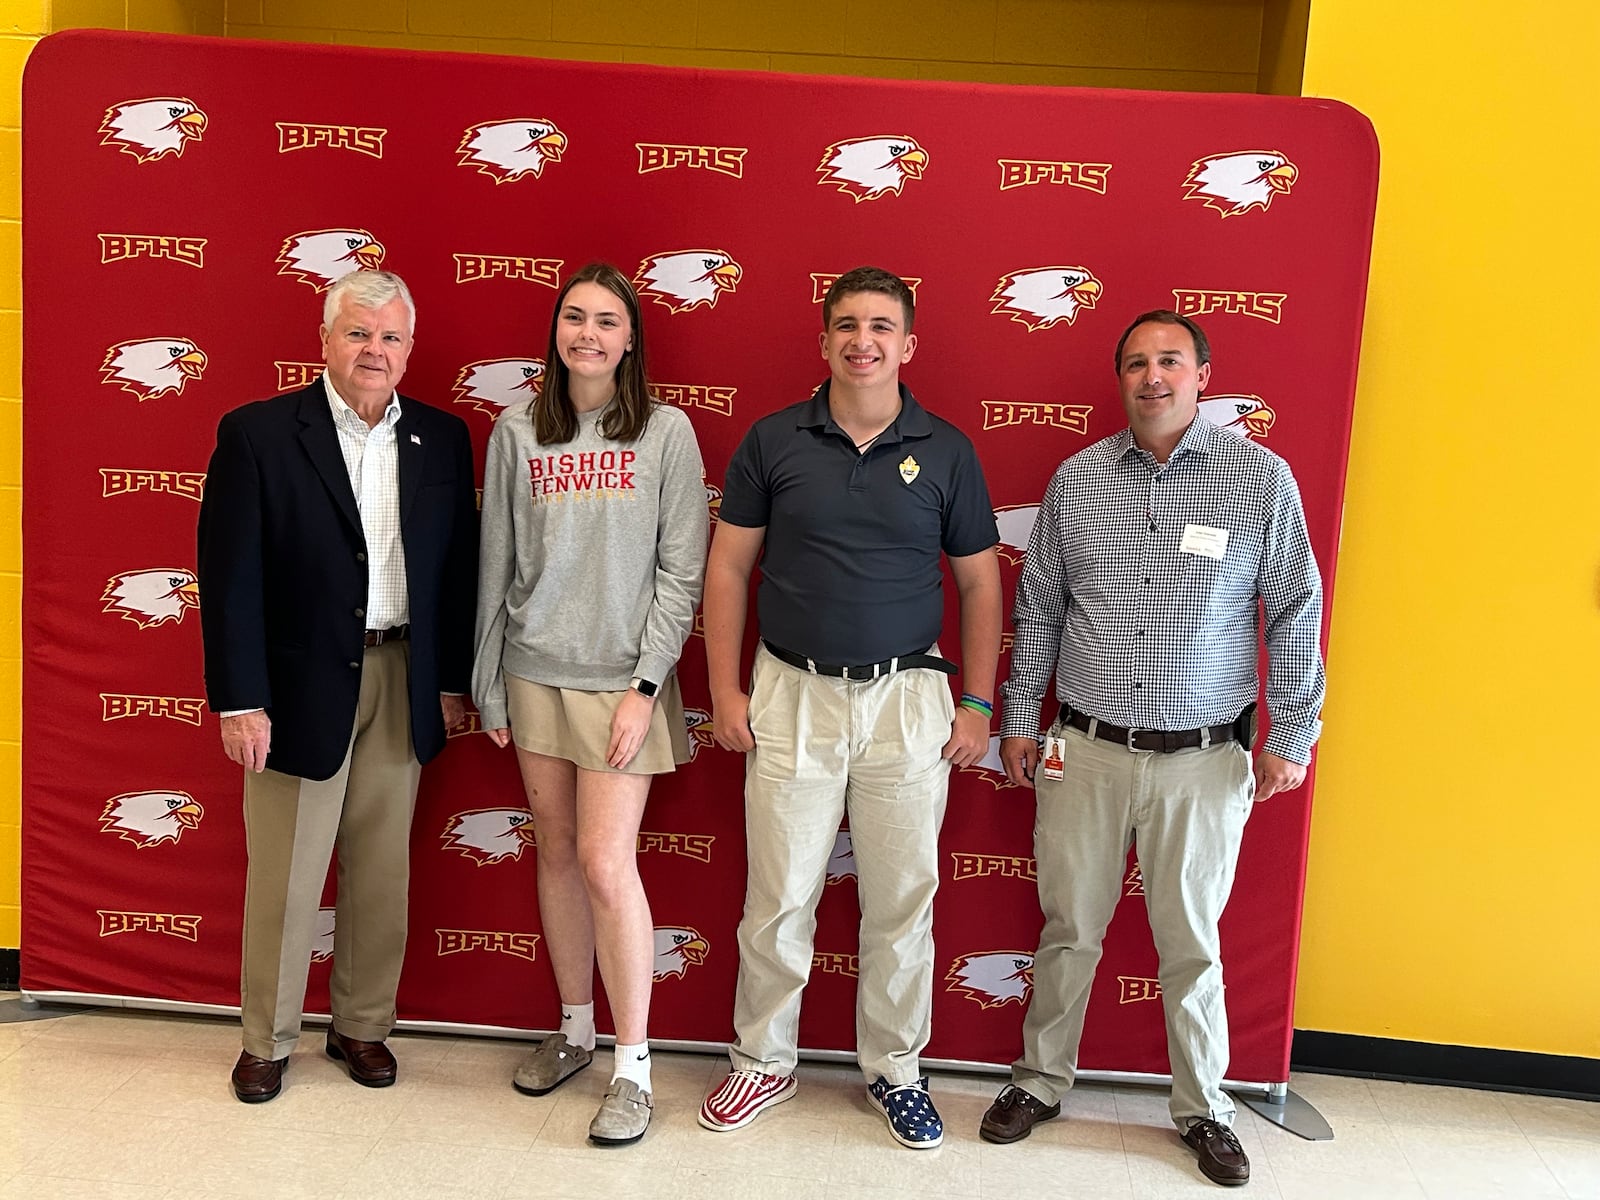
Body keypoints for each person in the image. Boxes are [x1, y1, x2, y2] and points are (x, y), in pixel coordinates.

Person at [982, 310, 1326, 1188]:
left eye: (1169, 360)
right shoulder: (1080, 478)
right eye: (1135, 363)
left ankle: (1204, 1108)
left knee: (1192, 945)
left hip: (1205, 761)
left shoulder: (1259, 479)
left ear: (1203, 374)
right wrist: (1021, 716)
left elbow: (1294, 612)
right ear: (1120, 379)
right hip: (1085, 751)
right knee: (1069, 931)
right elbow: (1044, 608)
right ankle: (1039, 1082)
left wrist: (1293, 731)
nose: (1152, 377)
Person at [698, 267, 1002, 1149]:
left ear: (908, 345)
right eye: (846, 325)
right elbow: (727, 569)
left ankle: (896, 1070)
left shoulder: (945, 449)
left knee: (904, 900)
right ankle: (761, 1063)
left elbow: (981, 583)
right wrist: (724, 689)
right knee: (780, 894)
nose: (862, 340)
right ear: (823, 341)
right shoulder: (772, 440)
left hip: (910, 699)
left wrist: (976, 703)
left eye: (880, 326)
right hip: (791, 691)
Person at [197, 269, 478, 1104]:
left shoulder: (442, 437)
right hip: (293, 689)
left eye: (391, 337)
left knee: (382, 872)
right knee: (286, 875)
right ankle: (266, 1040)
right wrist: (240, 699)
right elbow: (230, 575)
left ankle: (362, 1026)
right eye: (358, 333)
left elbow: (455, 571)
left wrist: (453, 682)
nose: (374, 351)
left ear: (410, 349)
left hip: (403, 679)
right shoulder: (258, 434)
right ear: (324, 340)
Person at [472, 262, 708, 1147]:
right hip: (534, 672)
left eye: (608, 321)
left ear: (631, 338)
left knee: (609, 864)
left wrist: (646, 689)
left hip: (622, 683)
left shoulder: (666, 432)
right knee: (560, 855)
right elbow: (497, 561)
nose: (589, 335)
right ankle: (574, 1031)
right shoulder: (515, 431)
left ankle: (634, 1068)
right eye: (575, 318)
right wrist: (490, 680)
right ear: (556, 330)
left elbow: (682, 572)